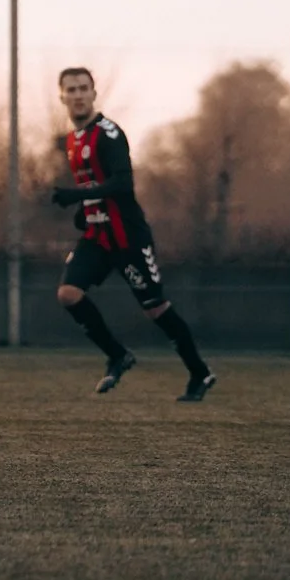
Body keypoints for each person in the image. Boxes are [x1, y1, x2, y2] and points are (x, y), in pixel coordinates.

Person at [50, 68, 215, 401]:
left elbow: (123, 184)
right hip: (97, 236)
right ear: (62, 97)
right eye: (72, 89)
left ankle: (200, 373)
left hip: (128, 238)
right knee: (68, 293)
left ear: (94, 94)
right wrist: (84, 212)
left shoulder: (108, 134)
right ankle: (117, 355)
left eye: (84, 88)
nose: (78, 94)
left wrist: (76, 196)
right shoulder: (72, 139)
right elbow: (97, 186)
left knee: (155, 309)